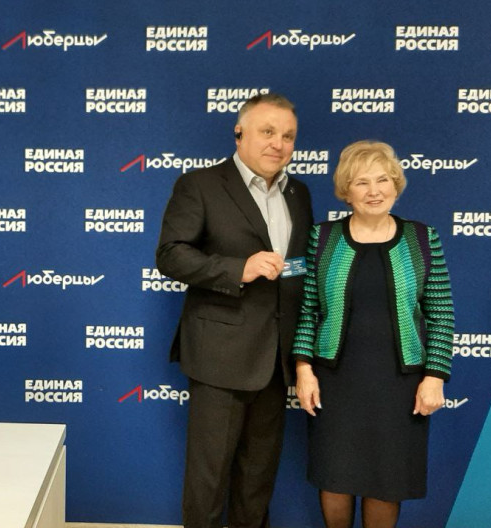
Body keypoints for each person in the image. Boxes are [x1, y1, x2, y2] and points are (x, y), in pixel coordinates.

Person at [156, 93, 313, 528]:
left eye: (288, 136)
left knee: (257, 479)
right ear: (239, 133)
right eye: (268, 132)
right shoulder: (200, 184)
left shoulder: (299, 193)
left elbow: (298, 268)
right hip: (220, 355)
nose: (278, 144)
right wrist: (238, 268)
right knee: (208, 481)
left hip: (276, 358)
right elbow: (170, 254)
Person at [292, 140, 455, 528]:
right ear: (346, 191)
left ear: (396, 185)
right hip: (335, 381)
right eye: (361, 182)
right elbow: (307, 310)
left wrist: (434, 377)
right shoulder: (322, 238)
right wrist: (303, 370)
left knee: (386, 480)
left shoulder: (421, 238)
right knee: (335, 477)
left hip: (401, 384)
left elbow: (441, 314)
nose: (374, 191)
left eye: (383, 180)